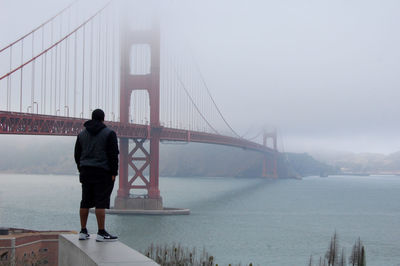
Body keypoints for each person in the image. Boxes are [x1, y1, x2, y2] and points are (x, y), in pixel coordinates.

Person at [74, 109, 119, 242]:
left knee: (85, 201)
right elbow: (113, 155)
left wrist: (81, 167)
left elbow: (77, 154)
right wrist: (113, 172)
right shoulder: (109, 133)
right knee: (101, 202)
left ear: (92, 118)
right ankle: (101, 232)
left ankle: (83, 231)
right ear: (103, 118)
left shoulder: (81, 134)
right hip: (103, 172)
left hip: (85, 171)